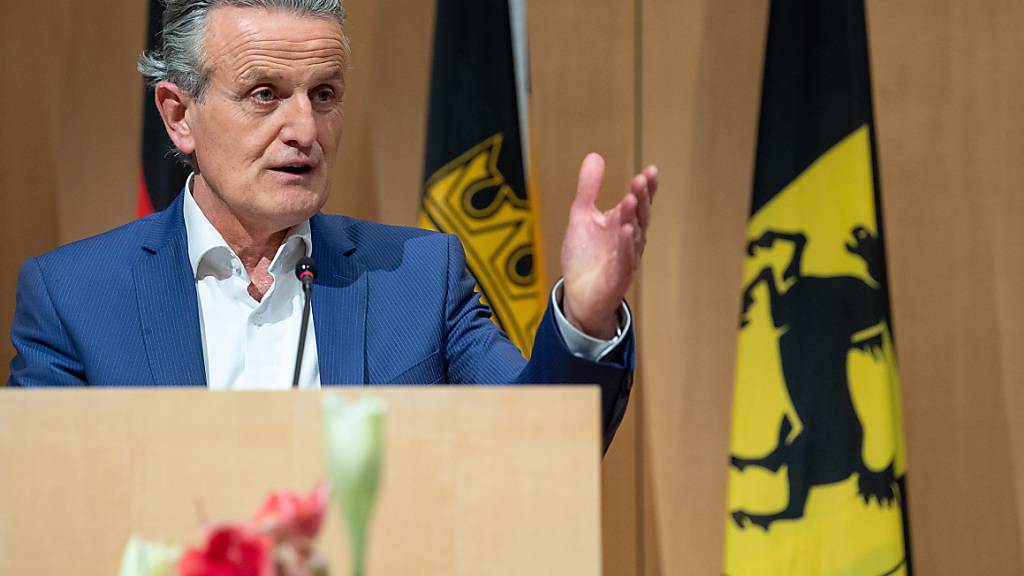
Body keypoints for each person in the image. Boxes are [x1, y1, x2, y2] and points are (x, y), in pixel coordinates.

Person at [7, 0, 657, 449]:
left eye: (324, 95)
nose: (304, 130)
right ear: (179, 115)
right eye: (265, 94)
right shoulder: (74, 298)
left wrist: (586, 317)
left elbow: (536, 446)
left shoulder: (420, 279)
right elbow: (46, 505)